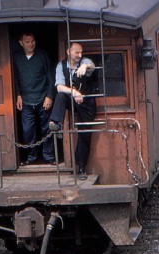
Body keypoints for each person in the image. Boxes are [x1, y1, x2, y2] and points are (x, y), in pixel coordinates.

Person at [48, 42, 97, 178]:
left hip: (86, 102)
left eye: (81, 52)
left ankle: (81, 167)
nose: (79, 55)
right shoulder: (61, 66)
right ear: (68, 52)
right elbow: (59, 87)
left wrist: (84, 66)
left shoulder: (84, 61)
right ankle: (56, 122)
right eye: (77, 52)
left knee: (85, 134)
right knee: (60, 95)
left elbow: (91, 64)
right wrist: (74, 92)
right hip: (72, 99)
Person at [12, 31, 55, 164]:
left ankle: (49, 156)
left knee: (46, 128)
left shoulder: (42, 55)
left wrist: (49, 96)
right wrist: (18, 95)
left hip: (42, 97)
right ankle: (31, 157)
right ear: (21, 43)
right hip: (25, 100)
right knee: (27, 130)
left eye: (33, 41)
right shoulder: (16, 57)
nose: (31, 44)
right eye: (28, 42)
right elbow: (15, 79)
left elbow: (50, 77)